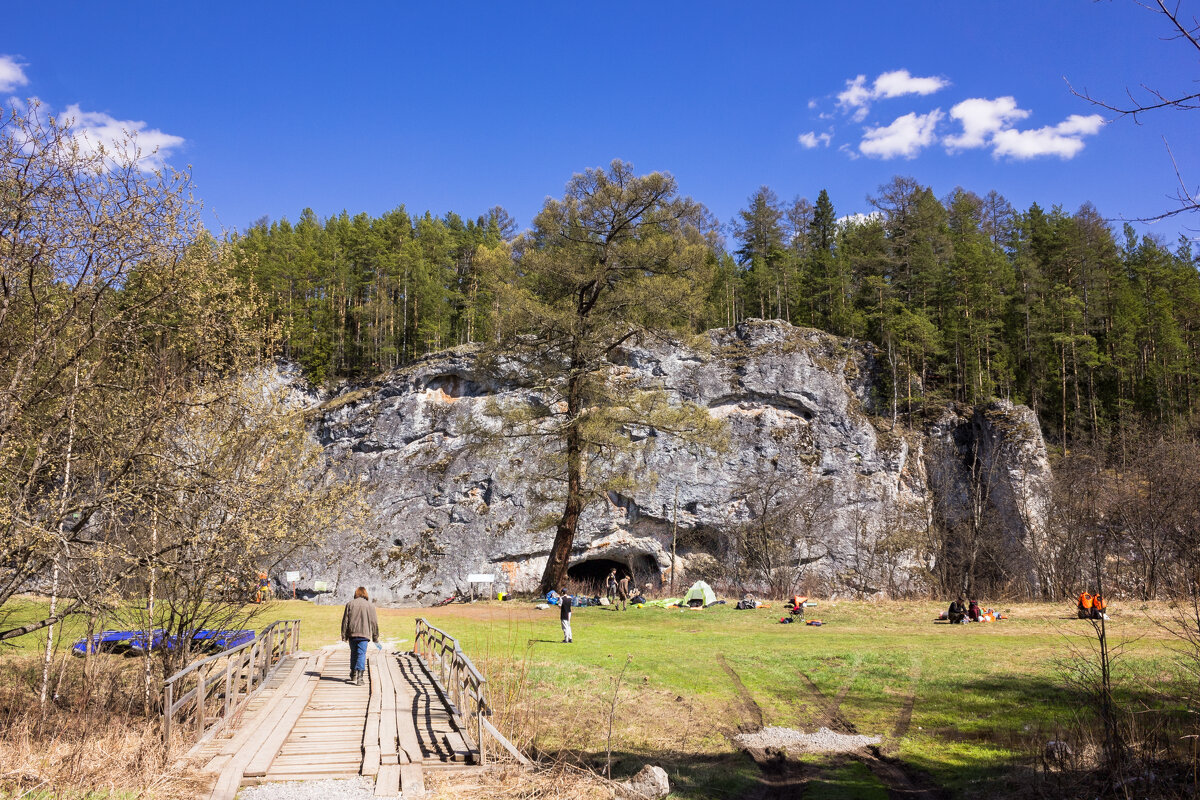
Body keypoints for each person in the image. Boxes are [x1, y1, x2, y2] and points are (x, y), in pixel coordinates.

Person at [341, 586, 379, 685]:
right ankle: (360, 678)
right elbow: (374, 622)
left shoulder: (349, 604)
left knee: (353, 653)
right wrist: (375, 636)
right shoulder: (370, 606)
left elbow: (345, 621)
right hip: (364, 634)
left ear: (356, 593)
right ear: (365, 594)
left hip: (352, 633)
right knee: (361, 654)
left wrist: (344, 634)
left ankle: (353, 673)